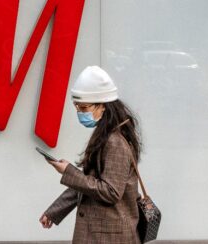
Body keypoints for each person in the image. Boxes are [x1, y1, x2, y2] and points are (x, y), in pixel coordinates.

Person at [39, 65, 142, 244]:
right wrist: (54, 211)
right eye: (77, 107)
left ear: (102, 105)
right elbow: (87, 183)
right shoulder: (106, 135)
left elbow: (111, 192)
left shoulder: (115, 141)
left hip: (109, 236)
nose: (80, 113)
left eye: (84, 108)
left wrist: (68, 171)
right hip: (102, 234)